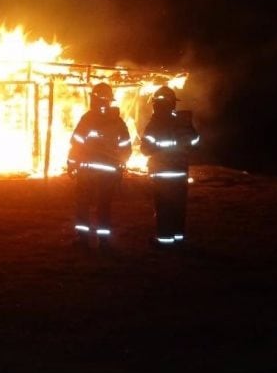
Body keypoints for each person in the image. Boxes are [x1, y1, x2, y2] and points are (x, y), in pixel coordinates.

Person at [67, 82, 132, 249]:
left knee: (83, 205)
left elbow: (76, 143)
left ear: (96, 99)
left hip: (87, 172)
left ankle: (83, 240)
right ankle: (104, 242)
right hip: (108, 173)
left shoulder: (88, 119)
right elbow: (126, 147)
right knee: (104, 207)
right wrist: (119, 163)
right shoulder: (118, 122)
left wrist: (72, 163)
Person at [140, 86, 200, 247]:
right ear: (173, 103)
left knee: (164, 208)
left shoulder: (154, 124)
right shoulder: (182, 121)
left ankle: (164, 241)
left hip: (162, 174)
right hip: (180, 173)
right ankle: (178, 238)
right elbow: (195, 141)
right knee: (178, 207)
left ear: (156, 104)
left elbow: (145, 150)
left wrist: (157, 149)